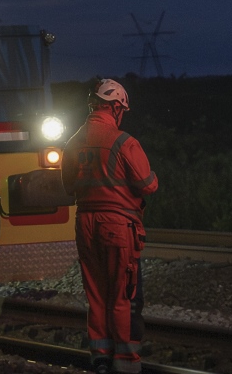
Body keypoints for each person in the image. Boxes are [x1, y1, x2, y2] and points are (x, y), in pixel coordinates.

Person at [64, 78, 158, 374]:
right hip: (117, 227)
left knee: (97, 295)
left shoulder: (73, 142)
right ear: (116, 107)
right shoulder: (124, 141)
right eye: (122, 109)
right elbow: (148, 184)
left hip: (85, 224)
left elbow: (69, 186)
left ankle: (101, 359)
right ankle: (126, 363)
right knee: (123, 297)